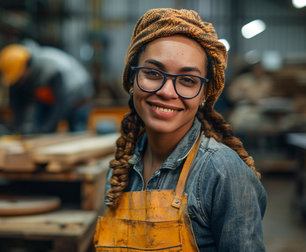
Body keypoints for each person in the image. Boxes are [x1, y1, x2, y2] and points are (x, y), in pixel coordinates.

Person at [94, 8, 267, 251]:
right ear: (132, 79)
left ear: (205, 94)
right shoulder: (122, 169)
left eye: (187, 80)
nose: (167, 91)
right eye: (153, 73)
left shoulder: (222, 173)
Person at [0, 40, 94, 134]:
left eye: (20, 78)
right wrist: (17, 128)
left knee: (76, 134)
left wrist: (47, 129)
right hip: (52, 99)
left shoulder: (50, 68)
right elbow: (17, 102)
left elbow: (61, 103)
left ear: (27, 66)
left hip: (78, 96)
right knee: (40, 131)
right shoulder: (22, 75)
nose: (19, 82)